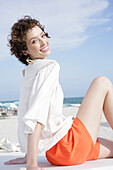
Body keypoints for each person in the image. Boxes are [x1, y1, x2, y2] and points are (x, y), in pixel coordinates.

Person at [4, 15, 113, 170]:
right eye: (34, 41)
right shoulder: (49, 67)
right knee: (102, 82)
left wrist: (28, 155)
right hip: (69, 144)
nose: (43, 42)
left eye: (43, 35)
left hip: (56, 154)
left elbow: (24, 116)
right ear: (25, 51)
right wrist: (31, 164)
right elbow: (36, 116)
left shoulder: (28, 73)